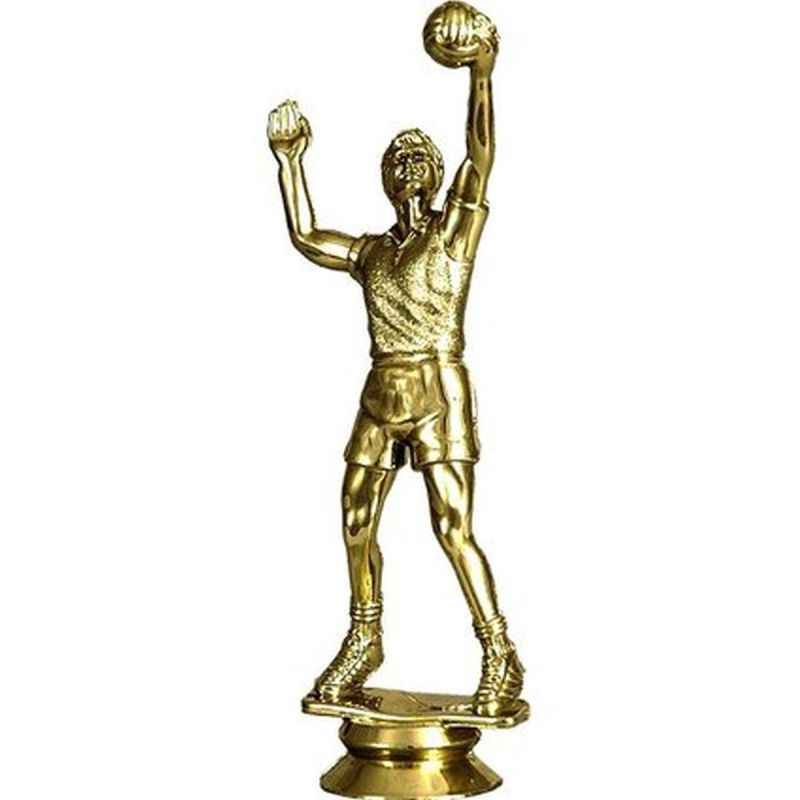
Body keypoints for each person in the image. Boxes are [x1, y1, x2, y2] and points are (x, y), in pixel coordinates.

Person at [267, 10, 523, 716]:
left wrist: (481, 73)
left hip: (439, 385)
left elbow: (482, 154)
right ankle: (365, 635)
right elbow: (306, 235)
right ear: (385, 180)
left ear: (435, 177)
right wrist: (290, 163)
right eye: (396, 162)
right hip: (383, 388)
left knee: (452, 525)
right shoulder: (373, 253)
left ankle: (499, 651)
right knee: (355, 515)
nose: (407, 168)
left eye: (418, 160)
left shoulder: (454, 233)